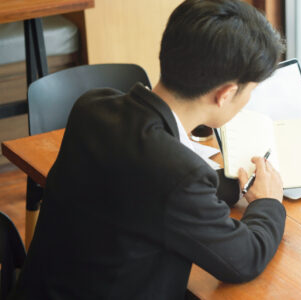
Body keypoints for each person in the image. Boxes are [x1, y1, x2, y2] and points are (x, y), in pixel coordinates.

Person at [11, 0, 286, 298]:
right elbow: (243, 259)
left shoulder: (92, 107)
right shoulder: (179, 175)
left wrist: (233, 185)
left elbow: (147, 187)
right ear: (226, 94)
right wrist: (268, 203)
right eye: (251, 91)